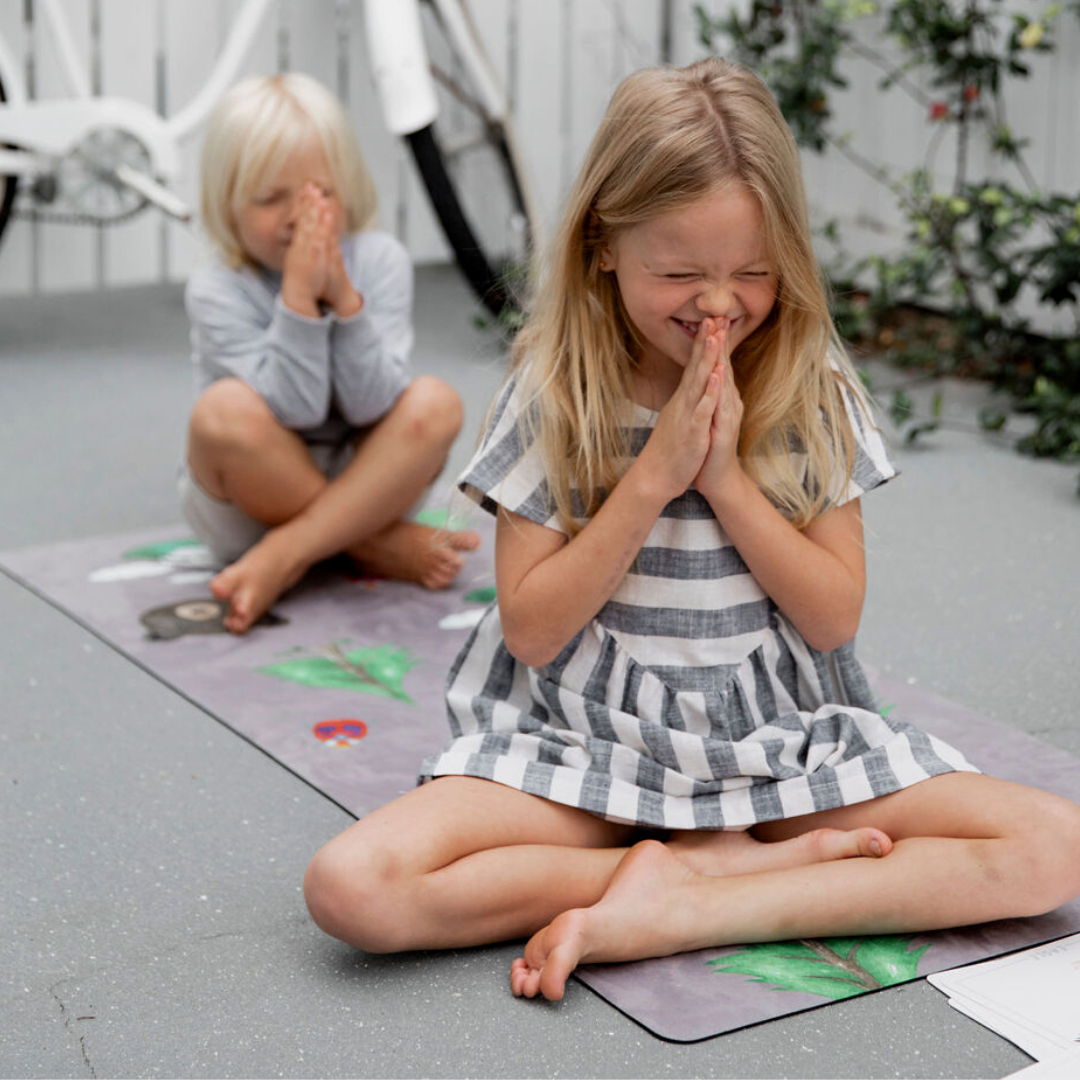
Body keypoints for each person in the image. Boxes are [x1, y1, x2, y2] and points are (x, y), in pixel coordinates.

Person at [302, 58, 1080, 1000]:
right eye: (680, 272)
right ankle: (721, 870)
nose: (720, 304)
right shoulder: (554, 390)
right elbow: (535, 629)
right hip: (584, 740)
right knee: (352, 888)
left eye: (753, 272)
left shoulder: (808, 382)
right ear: (602, 245)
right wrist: (655, 476)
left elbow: (833, 619)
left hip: (773, 737)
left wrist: (724, 480)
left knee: (1054, 850)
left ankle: (702, 901)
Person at [180, 73, 479, 634]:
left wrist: (344, 302)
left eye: (318, 194)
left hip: (369, 483)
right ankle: (372, 545)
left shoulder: (380, 261)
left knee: (435, 402)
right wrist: (297, 301)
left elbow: (372, 405)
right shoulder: (218, 288)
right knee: (221, 411)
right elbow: (295, 410)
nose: (298, 217)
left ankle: (291, 550)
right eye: (270, 199)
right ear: (229, 205)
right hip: (248, 507)